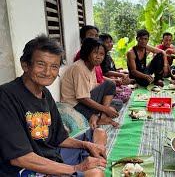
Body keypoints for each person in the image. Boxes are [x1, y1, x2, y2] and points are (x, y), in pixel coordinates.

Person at [0, 35, 106, 176]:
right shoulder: (6, 96)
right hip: (27, 169)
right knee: (95, 174)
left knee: (99, 134)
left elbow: (59, 138)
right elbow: (20, 158)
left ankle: (87, 165)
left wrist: (86, 144)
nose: (48, 72)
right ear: (25, 65)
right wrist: (75, 169)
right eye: (41, 64)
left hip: (50, 155)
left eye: (54, 66)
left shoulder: (45, 93)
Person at [61, 38, 123, 127]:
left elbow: (93, 86)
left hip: (87, 101)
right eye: (95, 53)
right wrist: (105, 109)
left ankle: (98, 116)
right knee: (110, 84)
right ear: (87, 53)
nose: (99, 57)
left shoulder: (92, 66)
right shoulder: (79, 68)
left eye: (102, 54)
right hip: (76, 106)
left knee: (118, 102)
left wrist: (109, 93)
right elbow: (82, 98)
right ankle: (101, 116)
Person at [99, 33, 133, 103]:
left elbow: (112, 69)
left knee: (128, 89)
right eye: (107, 42)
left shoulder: (108, 56)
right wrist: (121, 75)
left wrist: (119, 71)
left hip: (113, 79)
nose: (110, 44)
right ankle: (113, 98)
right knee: (124, 93)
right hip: (108, 81)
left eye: (111, 42)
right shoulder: (103, 57)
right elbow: (106, 72)